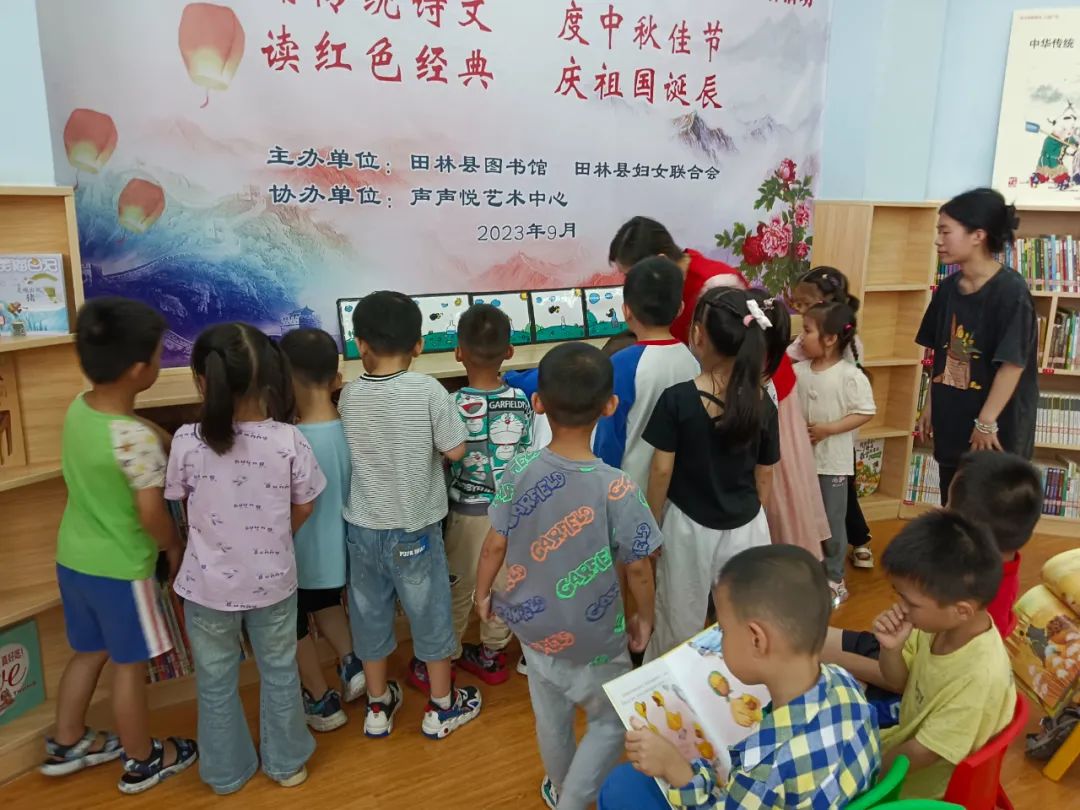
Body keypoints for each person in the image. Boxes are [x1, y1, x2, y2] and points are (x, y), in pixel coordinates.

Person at [474, 342, 662, 810]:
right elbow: (638, 566)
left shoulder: (518, 468)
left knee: (551, 717)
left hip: (533, 627)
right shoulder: (617, 486)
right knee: (610, 720)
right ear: (610, 405)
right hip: (595, 635)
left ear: (537, 402)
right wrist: (645, 617)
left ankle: (561, 786)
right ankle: (574, 800)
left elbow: (494, 544)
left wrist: (482, 594)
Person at [43, 297, 198, 794]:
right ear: (139, 371)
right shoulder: (134, 442)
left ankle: (68, 740)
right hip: (122, 571)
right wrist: (174, 545)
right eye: (157, 355)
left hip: (74, 561)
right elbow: (152, 515)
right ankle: (143, 757)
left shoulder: (81, 407)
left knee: (89, 652)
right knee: (130, 667)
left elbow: (128, 428)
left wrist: (163, 437)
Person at [597, 545, 881, 809]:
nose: (719, 639)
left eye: (723, 630)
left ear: (757, 639)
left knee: (621, 786)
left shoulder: (763, 771)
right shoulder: (844, 682)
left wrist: (676, 768)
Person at [166, 322, 324, 793]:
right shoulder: (289, 439)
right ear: (272, 379)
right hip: (273, 581)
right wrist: (275, 536)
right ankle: (287, 763)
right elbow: (306, 504)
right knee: (279, 672)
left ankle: (226, 773)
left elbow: (180, 498)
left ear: (202, 381)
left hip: (207, 587)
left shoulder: (185, 440)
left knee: (214, 681)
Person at [337, 291, 481, 739]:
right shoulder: (428, 390)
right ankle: (442, 705)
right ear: (419, 345)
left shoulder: (349, 396)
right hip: (414, 530)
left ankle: (377, 706)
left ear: (360, 344)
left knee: (369, 617)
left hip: (362, 529)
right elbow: (456, 450)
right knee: (430, 613)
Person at [823, 451, 1043, 724]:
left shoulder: (978, 612)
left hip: (906, 676)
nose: (940, 511)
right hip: (905, 646)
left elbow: (913, 683)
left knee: (804, 650)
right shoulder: (985, 573)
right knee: (808, 638)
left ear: (970, 532)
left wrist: (827, 660)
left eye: (948, 506)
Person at [643, 288, 780, 660]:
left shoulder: (677, 399)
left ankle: (671, 687)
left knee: (678, 615)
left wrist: (652, 523)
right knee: (745, 614)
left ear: (698, 335)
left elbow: (661, 469)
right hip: (748, 526)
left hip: (688, 526)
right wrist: (755, 513)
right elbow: (765, 472)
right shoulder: (763, 401)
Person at [873, 511, 1017, 799]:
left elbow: (920, 755)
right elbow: (899, 683)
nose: (901, 608)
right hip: (901, 746)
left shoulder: (979, 678)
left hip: (919, 787)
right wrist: (891, 649)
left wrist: (863, 776)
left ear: (961, 610)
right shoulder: (936, 625)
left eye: (910, 603)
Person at [916, 188, 1038, 503]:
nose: (938, 241)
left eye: (946, 232)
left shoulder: (1011, 291)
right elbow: (941, 354)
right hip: (953, 419)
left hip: (994, 428)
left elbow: (1012, 364)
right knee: (953, 504)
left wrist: (986, 422)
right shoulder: (947, 289)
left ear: (978, 235)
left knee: (987, 512)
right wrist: (930, 405)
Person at [435, 303, 532, 687]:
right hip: (509, 515)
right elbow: (525, 452)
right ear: (509, 351)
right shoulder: (522, 401)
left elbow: (443, 457)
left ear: (458, 352)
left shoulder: (451, 404)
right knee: (503, 585)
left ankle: (449, 654)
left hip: (464, 512)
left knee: (458, 584)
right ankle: (492, 653)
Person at [279, 328, 365, 731]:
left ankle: (321, 700)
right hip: (346, 552)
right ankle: (352, 663)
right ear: (337, 378)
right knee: (327, 604)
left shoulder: (288, 439)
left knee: (293, 623)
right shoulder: (353, 429)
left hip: (299, 555)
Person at [789, 266, 875, 569]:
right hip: (808, 447)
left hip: (835, 445)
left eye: (805, 304)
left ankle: (840, 562)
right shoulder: (802, 357)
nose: (800, 311)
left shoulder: (846, 360)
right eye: (797, 305)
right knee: (812, 506)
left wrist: (830, 429)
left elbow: (861, 408)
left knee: (836, 505)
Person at [593, 256, 700, 491]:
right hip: (681, 492)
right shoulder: (692, 361)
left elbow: (608, 438)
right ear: (680, 309)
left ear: (626, 311)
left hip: (628, 492)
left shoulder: (621, 365)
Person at [607, 216, 747, 345]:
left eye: (630, 276)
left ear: (661, 261)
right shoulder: (659, 290)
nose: (629, 284)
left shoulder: (717, 286)